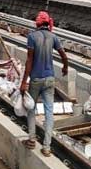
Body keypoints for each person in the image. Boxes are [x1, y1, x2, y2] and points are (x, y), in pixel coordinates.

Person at [20, 11, 68, 157]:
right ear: (48, 23)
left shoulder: (32, 37)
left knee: (31, 108)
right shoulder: (53, 37)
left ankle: (32, 139)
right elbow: (64, 55)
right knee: (49, 112)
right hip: (50, 79)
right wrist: (65, 67)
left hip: (36, 79)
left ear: (37, 23)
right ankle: (47, 147)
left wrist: (24, 81)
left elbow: (29, 60)